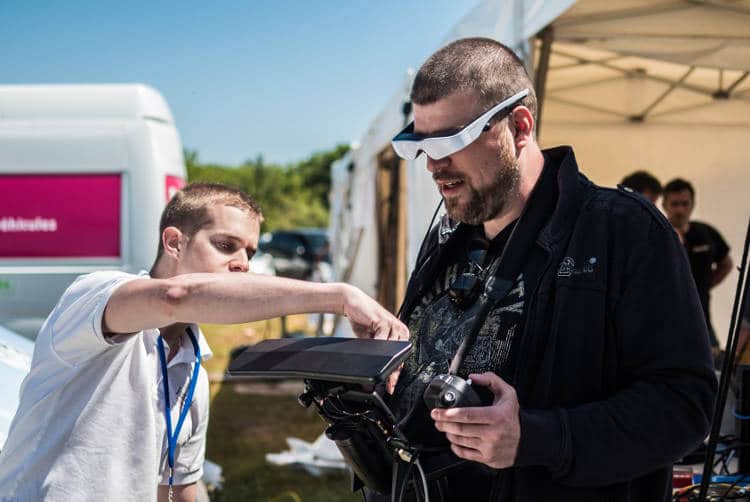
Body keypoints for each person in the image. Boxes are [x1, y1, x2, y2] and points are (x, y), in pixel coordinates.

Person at [383, 38, 716, 501]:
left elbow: (685, 406)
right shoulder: (448, 236)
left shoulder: (622, 231)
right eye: (420, 145)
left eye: (452, 141)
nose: (434, 165)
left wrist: (537, 438)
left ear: (519, 126)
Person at [0, 183, 407, 502]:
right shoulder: (99, 292)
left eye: (248, 252)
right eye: (226, 245)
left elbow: (178, 490)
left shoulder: (194, 369)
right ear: (174, 242)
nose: (243, 264)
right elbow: (174, 297)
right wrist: (338, 297)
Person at [662, 178, 734, 350]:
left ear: (693, 204)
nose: (680, 210)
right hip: (665, 320)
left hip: (701, 318)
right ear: (664, 205)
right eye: (675, 204)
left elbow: (727, 263)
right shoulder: (658, 235)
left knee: (712, 363)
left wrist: (706, 284)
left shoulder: (706, 233)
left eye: (685, 204)